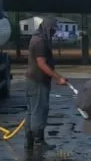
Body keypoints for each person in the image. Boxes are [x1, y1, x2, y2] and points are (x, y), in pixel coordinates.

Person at [25, 16, 68, 151]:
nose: (54, 33)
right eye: (53, 30)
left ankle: (30, 140)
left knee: (32, 111)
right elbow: (42, 64)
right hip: (38, 81)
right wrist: (58, 77)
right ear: (48, 28)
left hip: (33, 80)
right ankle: (38, 142)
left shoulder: (37, 38)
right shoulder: (40, 42)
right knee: (39, 111)